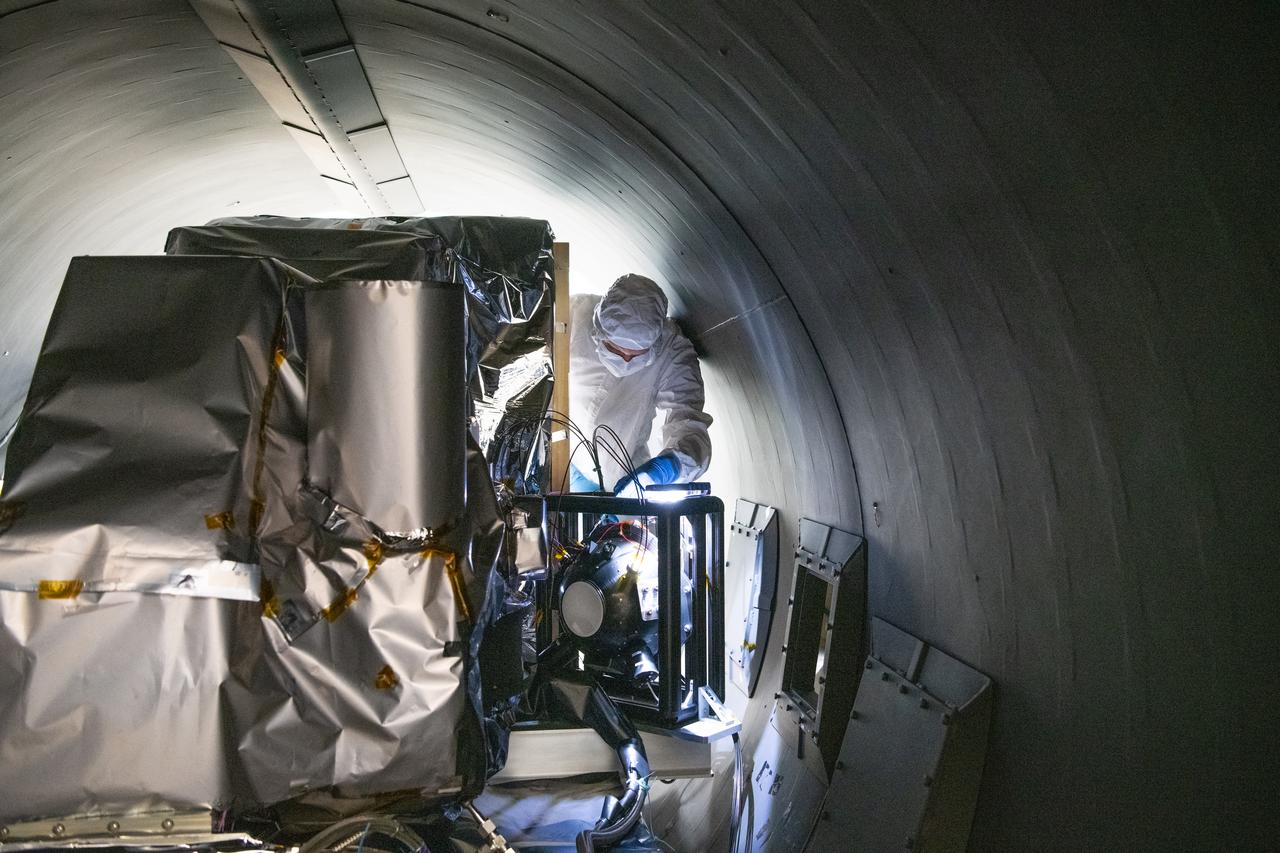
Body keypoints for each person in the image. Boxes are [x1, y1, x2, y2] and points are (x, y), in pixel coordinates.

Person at [567, 274, 712, 495]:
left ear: (655, 342)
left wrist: (669, 466)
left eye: (636, 355)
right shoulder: (571, 316)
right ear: (599, 329)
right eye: (614, 350)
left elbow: (687, 421)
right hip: (562, 462)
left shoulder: (673, 351)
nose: (624, 361)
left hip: (624, 478)